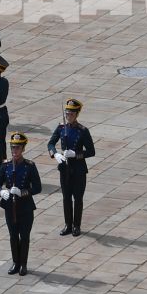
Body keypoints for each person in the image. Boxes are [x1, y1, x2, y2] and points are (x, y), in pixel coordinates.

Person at [46, 98, 94, 236]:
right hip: (65, 168)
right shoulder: (61, 128)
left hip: (78, 169)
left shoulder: (83, 131)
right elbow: (50, 143)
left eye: (71, 114)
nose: (68, 116)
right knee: (66, 197)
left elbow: (91, 151)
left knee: (77, 198)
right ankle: (68, 224)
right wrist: (55, 154)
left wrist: (76, 154)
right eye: (67, 114)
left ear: (77, 114)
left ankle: (76, 225)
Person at [0, 133, 41, 275]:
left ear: (23, 149)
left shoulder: (29, 166)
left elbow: (37, 187)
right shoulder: (6, 165)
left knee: (25, 236)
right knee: (13, 235)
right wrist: (0, 192)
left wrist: (23, 192)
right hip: (10, 206)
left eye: (17, 148)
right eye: (12, 147)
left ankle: (23, 264)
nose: (14, 151)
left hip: (25, 206)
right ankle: (15, 262)